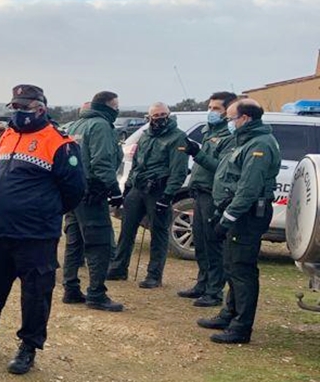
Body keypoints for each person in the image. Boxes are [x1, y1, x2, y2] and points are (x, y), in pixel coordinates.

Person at [0, 84, 85, 374]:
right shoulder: (7, 135)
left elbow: (74, 190)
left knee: (35, 293)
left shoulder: (60, 143)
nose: (19, 113)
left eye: (25, 107)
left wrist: (42, 211)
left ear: (41, 108)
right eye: (15, 107)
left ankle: (28, 346)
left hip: (36, 235)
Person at [197, 99, 281, 344]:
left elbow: (248, 188)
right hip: (235, 211)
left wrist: (228, 218)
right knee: (231, 264)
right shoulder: (242, 141)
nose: (228, 123)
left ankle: (241, 327)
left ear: (245, 118)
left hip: (247, 215)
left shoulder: (260, 145)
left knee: (242, 269)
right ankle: (229, 313)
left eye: (231, 118)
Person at [106, 102, 189, 288]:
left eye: (162, 114)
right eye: (155, 115)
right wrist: (127, 188)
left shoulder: (177, 137)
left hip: (159, 190)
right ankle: (119, 268)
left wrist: (168, 196)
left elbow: (179, 171)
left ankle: (154, 275)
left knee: (158, 233)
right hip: (138, 187)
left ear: (168, 115)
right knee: (127, 230)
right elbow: (136, 164)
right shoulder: (145, 136)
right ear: (149, 117)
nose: (159, 118)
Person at [61, 91, 125, 311]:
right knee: (99, 243)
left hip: (74, 191)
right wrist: (114, 190)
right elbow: (102, 161)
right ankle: (96, 293)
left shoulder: (75, 125)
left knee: (74, 241)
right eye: (116, 106)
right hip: (93, 192)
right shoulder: (100, 126)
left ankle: (70, 288)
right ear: (107, 106)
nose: (117, 110)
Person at [178, 91, 238, 307]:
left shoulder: (229, 136)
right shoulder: (209, 131)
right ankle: (202, 284)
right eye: (210, 107)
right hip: (200, 192)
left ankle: (214, 291)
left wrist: (197, 153)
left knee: (213, 244)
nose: (211, 112)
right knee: (200, 242)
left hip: (214, 194)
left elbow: (220, 167)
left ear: (227, 112)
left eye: (216, 109)